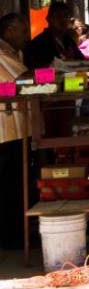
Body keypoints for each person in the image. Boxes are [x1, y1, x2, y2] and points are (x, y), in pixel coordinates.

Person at [0, 13, 35, 248]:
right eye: (23, 31)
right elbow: (22, 79)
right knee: (10, 183)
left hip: (16, 127)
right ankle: (11, 236)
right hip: (6, 129)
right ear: (9, 30)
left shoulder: (14, 52)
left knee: (16, 181)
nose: (26, 36)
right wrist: (50, 73)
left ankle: (16, 232)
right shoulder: (2, 53)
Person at [24, 2, 84, 70]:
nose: (63, 19)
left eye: (66, 16)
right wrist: (54, 70)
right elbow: (35, 74)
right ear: (48, 19)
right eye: (58, 16)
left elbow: (82, 62)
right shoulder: (38, 43)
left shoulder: (69, 40)